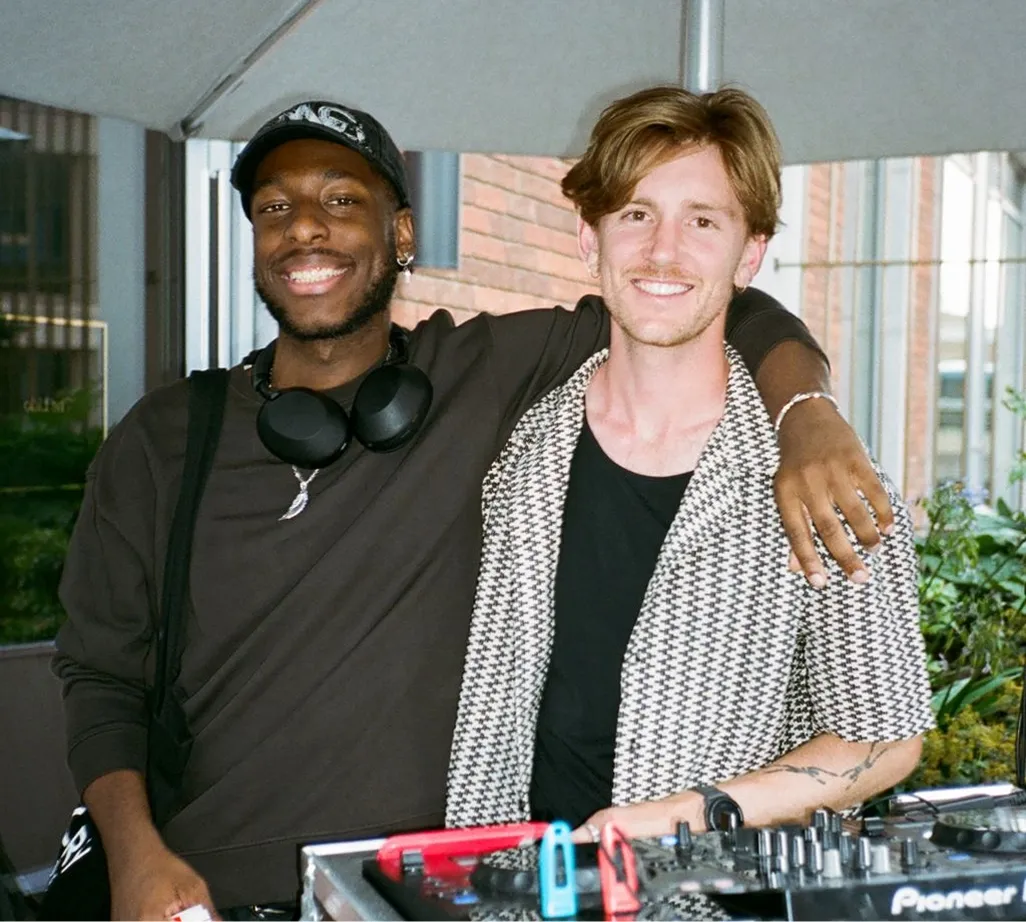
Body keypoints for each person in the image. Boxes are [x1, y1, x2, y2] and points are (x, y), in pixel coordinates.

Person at [53, 99, 893, 919]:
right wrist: (135, 856)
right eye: (275, 207)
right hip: (212, 886)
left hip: (431, 885)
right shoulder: (165, 438)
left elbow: (704, 299)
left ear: (403, 234)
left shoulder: (488, 377)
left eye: (342, 199)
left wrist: (804, 411)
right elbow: (100, 677)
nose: (305, 227)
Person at [445, 86, 934, 842]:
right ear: (590, 237)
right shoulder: (518, 451)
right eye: (636, 214)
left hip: (715, 890)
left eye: (702, 221)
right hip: (512, 882)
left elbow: (884, 738)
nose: (662, 251)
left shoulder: (820, 480)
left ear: (750, 254)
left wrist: (690, 814)